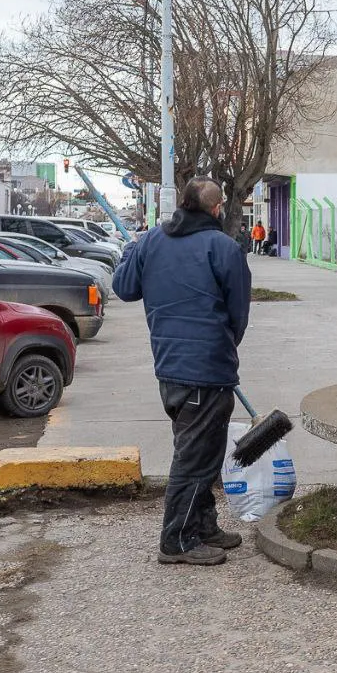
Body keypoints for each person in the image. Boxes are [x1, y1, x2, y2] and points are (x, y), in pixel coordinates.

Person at [113, 178, 252, 566]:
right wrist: (223, 348)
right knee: (195, 460)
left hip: (170, 368)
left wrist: (130, 253)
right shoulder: (224, 248)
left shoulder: (151, 242)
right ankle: (176, 540)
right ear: (215, 209)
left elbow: (124, 288)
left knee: (202, 453)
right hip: (205, 370)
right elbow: (238, 313)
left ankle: (204, 526)